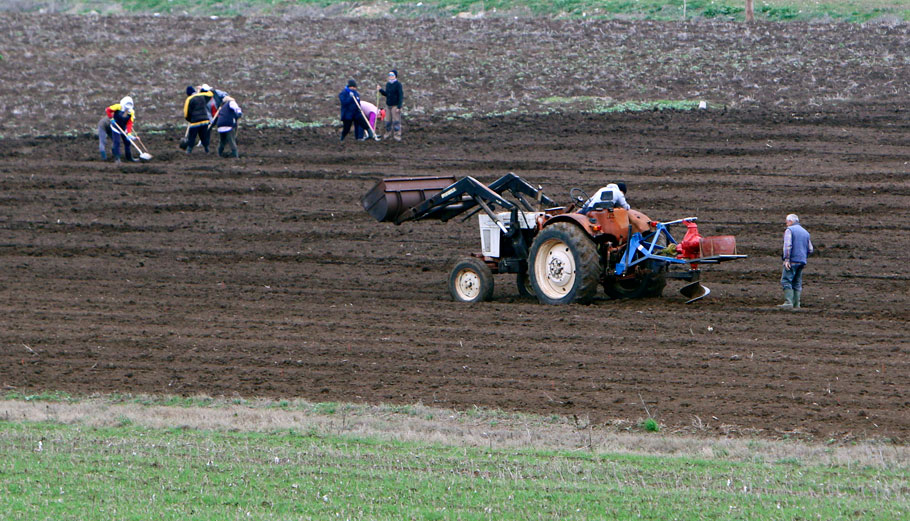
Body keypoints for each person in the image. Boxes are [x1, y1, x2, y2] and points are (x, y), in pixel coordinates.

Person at [779, 213, 813, 309]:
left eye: (786, 222)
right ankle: (796, 304)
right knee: (797, 282)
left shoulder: (789, 230)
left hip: (792, 260)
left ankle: (788, 302)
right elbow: (810, 249)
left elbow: (787, 246)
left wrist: (786, 259)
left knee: (786, 280)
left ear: (790, 221)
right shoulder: (806, 232)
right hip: (802, 261)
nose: (786, 224)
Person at [102, 96, 137, 163]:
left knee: (127, 142)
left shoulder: (131, 112)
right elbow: (108, 110)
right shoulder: (118, 107)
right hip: (116, 127)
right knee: (117, 142)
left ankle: (129, 157)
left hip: (123, 128)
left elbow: (129, 123)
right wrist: (111, 118)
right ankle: (117, 158)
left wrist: (129, 133)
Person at [183, 84, 214, 154]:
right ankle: (207, 150)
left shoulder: (189, 99)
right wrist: (202, 90)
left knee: (192, 136)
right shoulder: (202, 96)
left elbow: (186, 112)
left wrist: (189, 119)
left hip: (195, 121)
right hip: (205, 120)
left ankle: (188, 151)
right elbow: (210, 93)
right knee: (204, 135)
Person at [377, 69, 403, 141]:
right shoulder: (388, 84)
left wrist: (399, 106)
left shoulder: (398, 84)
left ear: (395, 76)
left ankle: (397, 135)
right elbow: (387, 95)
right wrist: (380, 90)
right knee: (387, 121)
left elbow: (400, 95)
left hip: (395, 105)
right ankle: (387, 134)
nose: (390, 76)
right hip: (388, 105)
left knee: (396, 121)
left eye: (392, 75)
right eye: (389, 75)